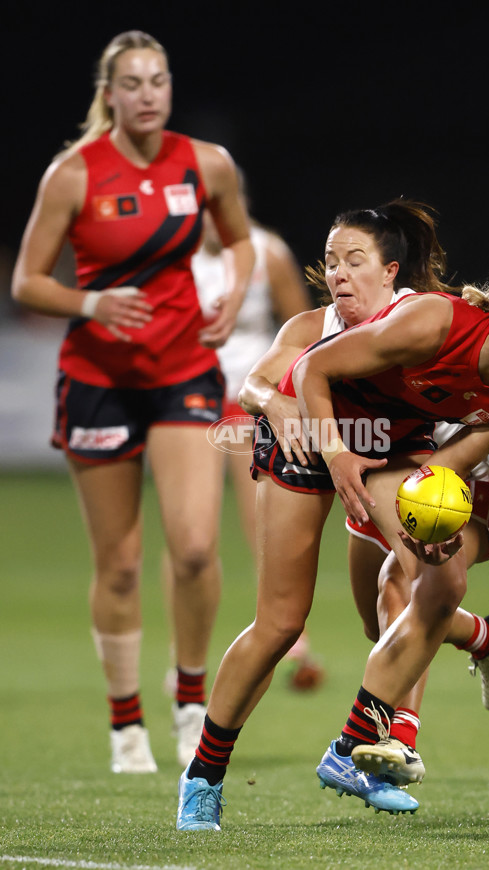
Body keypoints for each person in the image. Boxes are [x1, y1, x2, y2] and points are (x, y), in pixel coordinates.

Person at [175, 200, 489, 831]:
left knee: (437, 579)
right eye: (331, 261)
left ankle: (364, 746)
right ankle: (202, 777)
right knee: (281, 624)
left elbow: (452, 458)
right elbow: (297, 373)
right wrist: (308, 433)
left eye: (352, 260)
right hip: (313, 438)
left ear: (391, 271)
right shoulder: (335, 325)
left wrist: (435, 518)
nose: (337, 272)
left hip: (392, 446)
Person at [11, 30, 255, 775]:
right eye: (133, 83)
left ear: (169, 88)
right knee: (118, 566)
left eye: (159, 81)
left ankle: (189, 706)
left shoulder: (206, 163)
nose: (148, 94)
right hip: (98, 382)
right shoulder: (72, 174)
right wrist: (90, 303)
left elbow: (240, 244)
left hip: (185, 372)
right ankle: (126, 728)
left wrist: (235, 293)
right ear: (109, 94)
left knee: (193, 549)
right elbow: (27, 282)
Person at [290, 253, 489, 792]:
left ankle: (389, 741)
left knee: (414, 583)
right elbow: (311, 366)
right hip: (384, 452)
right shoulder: (435, 323)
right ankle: (483, 635)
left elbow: (460, 457)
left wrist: (419, 514)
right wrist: (336, 454)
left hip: (446, 470)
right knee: (379, 627)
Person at [161, 190, 319, 764]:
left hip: (250, 403)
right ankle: (187, 663)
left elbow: (303, 332)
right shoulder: (170, 256)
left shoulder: (266, 251)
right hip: (184, 400)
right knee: (191, 542)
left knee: (264, 526)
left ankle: (285, 636)